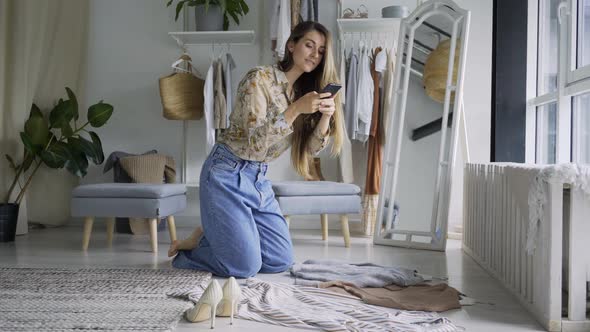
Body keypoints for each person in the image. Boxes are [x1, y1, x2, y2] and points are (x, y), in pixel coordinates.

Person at [169, 21, 344, 278]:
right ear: (292, 44)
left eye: (320, 51)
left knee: (279, 261)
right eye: (309, 45)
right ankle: (193, 250)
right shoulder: (258, 79)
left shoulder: (303, 93)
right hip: (225, 173)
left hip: (259, 179)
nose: (314, 55)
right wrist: (295, 109)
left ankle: (217, 235)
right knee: (245, 267)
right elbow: (255, 142)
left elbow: (312, 150)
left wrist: (326, 117)